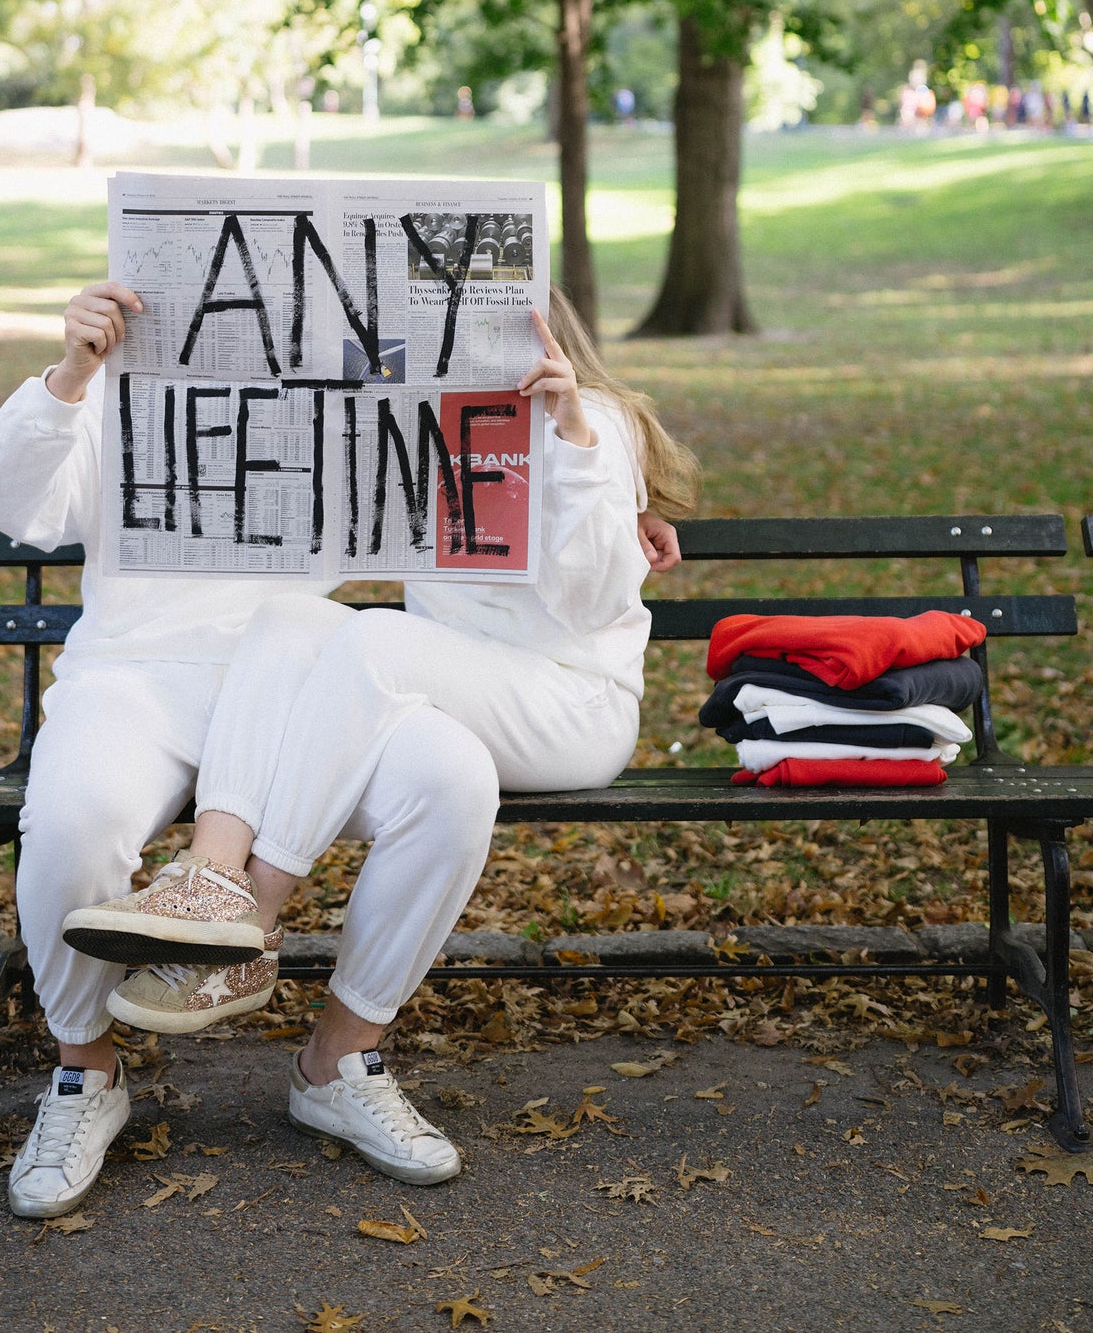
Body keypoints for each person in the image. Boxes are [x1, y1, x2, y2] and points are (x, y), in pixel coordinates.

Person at [61, 282, 699, 1185]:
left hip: (569, 705)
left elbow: (598, 597)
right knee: (289, 622)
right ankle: (211, 879)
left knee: (375, 639)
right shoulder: (431, 414)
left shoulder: (591, 419)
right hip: (457, 681)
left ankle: (252, 920)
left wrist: (580, 450)